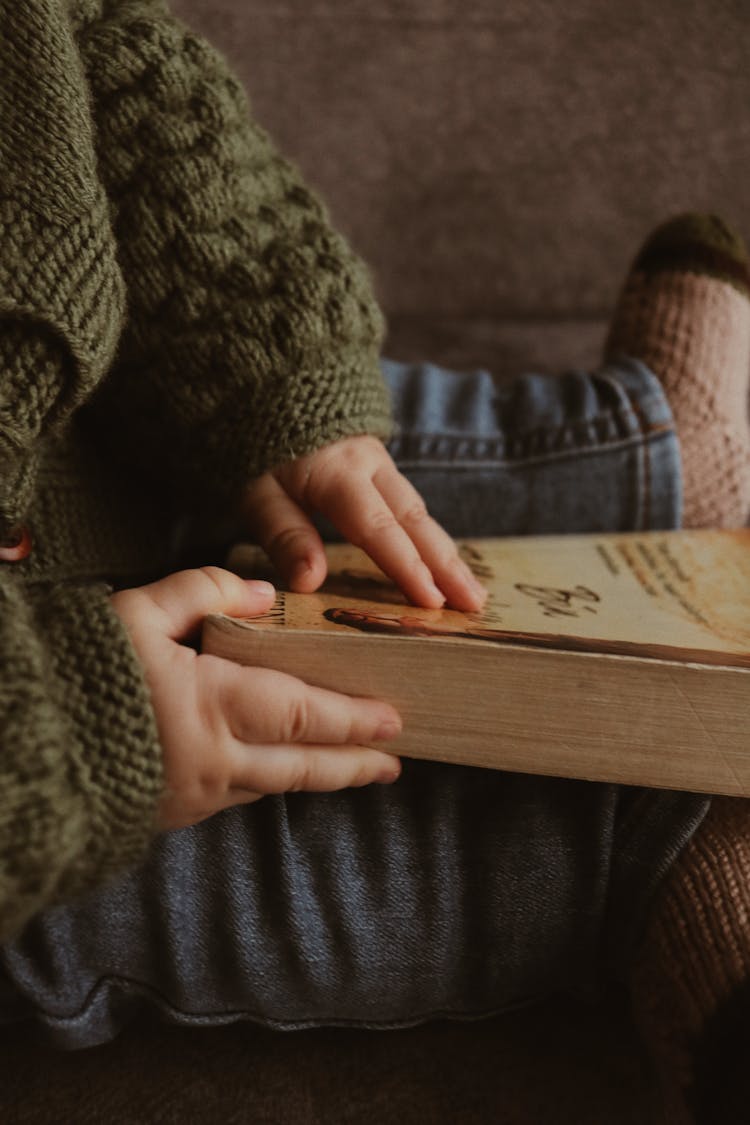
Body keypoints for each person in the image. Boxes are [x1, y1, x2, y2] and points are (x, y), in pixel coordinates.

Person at [0, 4, 749, 1122]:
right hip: (40, 786)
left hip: (84, 439)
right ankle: (665, 855)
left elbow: (105, 56)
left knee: (342, 465)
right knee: (249, 841)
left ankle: (641, 459)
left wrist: (276, 363)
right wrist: (58, 740)